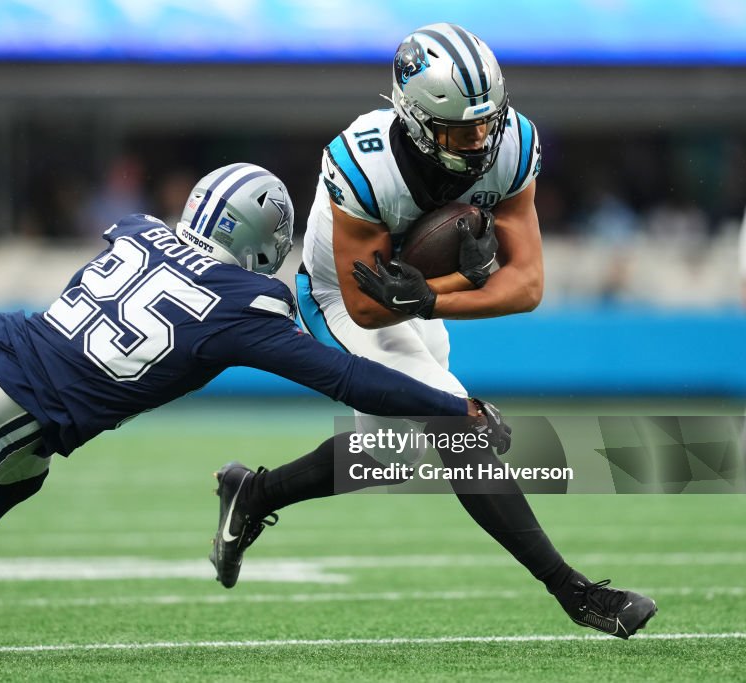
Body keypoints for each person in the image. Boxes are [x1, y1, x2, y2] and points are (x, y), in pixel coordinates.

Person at [0, 163, 510, 656]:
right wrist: (452, 402)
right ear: (266, 239)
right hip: (4, 409)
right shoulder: (237, 306)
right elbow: (350, 381)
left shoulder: (137, 228)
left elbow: (139, 250)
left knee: (21, 476)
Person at [207, 24, 657, 640]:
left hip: (414, 296)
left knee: (382, 456)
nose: (479, 139)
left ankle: (253, 494)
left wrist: (434, 294)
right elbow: (367, 308)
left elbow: (526, 286)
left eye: (486, 122)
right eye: (459, 128)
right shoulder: (361, 162)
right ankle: (575, 593)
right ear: (414, 117)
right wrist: (444, 300)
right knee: (458, 428)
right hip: (339, 297)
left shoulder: (512, 143)